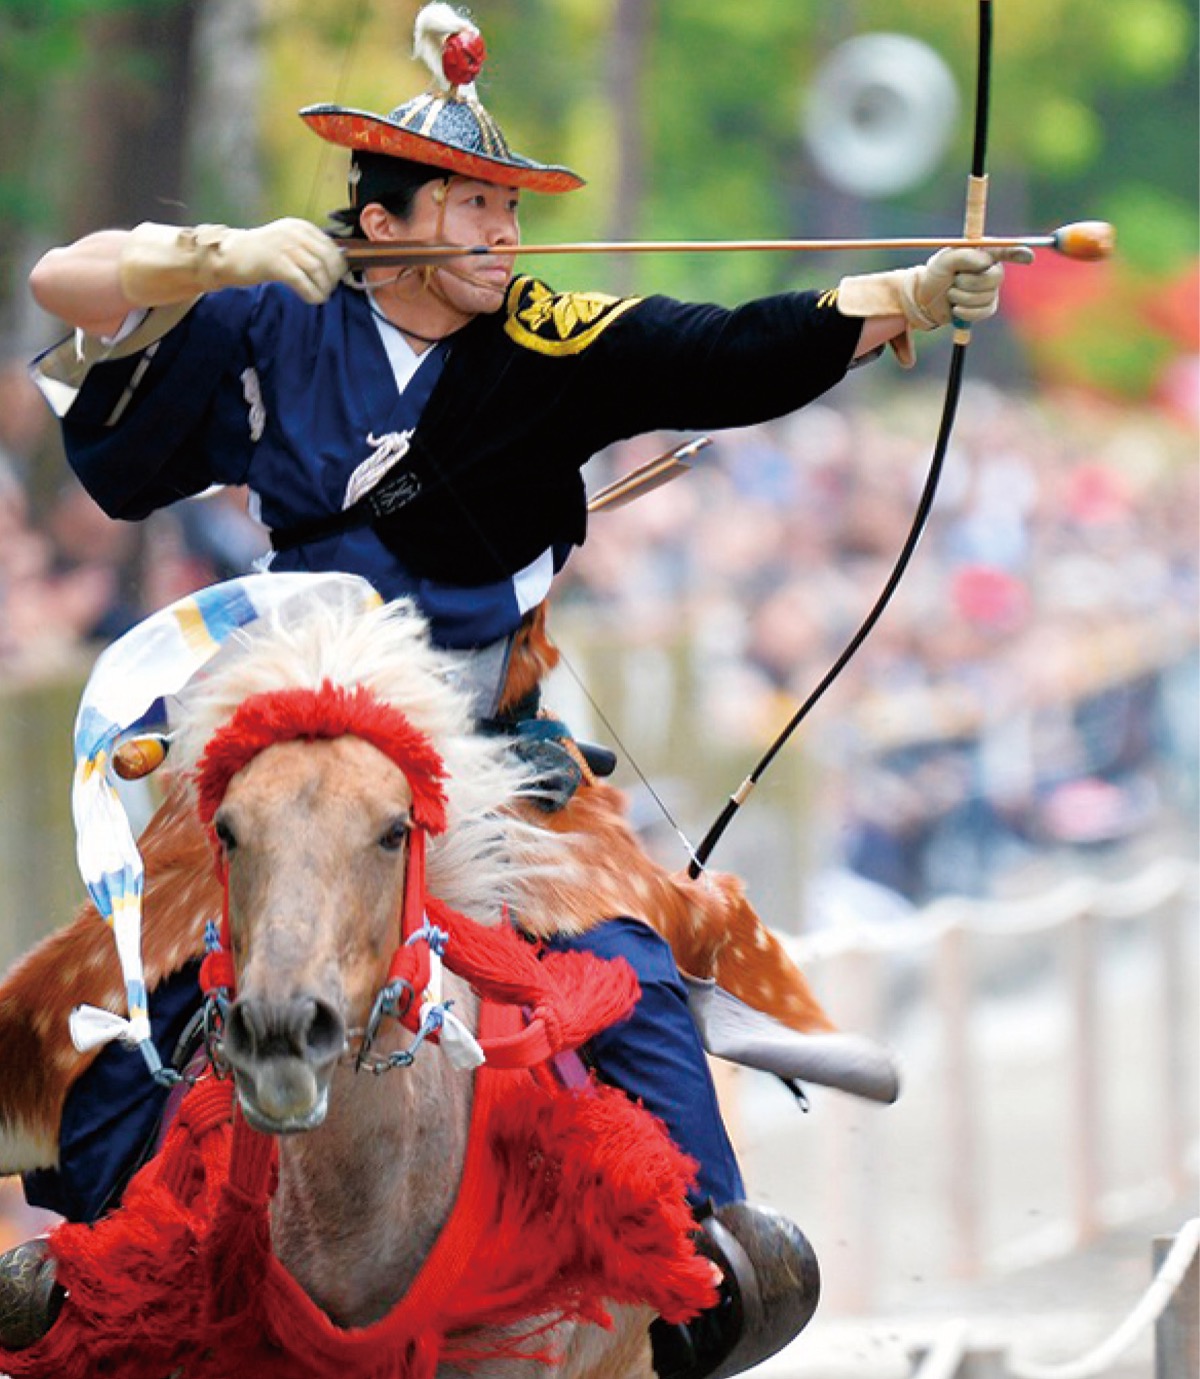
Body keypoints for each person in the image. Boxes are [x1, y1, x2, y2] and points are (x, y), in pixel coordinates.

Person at [6, 4, 1023, 1373]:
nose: (502, 235)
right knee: (114, 978)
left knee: (625, 956)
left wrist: (898, 295)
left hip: (487, 752)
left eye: (508, 209)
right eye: (471, 206)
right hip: (290, 736)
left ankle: (703, 1238)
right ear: (385, 227)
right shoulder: (268, 316)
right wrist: (213, 255)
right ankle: (106, 1258)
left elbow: (717, 348)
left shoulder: (544, 336)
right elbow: (66, 287)